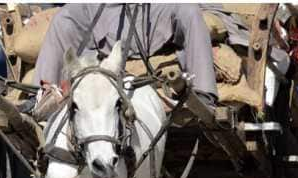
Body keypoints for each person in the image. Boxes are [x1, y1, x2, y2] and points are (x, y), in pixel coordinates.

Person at [28, 4, 219, 117]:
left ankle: (203, 93)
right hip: (104, 8)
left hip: (155, 8)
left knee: (189, 10)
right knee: (64, 18)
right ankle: (40, 96)